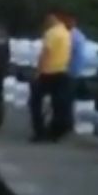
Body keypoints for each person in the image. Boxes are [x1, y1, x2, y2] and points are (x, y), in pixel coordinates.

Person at [29, 11, 72, 142]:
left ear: (51, 18)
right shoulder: (66, 32)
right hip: (62, 71)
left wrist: (38, 71)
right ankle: (56, 132)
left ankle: (39, 131)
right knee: (58, 104)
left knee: (34, 102)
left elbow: (45, 53)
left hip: (48, 72)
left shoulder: (51, 33)